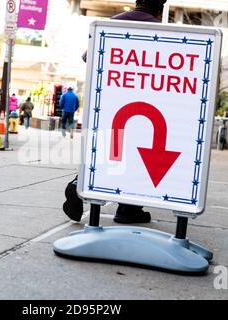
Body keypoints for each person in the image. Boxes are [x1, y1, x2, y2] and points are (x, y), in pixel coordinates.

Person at [63, 0, 167, 225]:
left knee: (105, 155)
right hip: (142, 107)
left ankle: (77, 185)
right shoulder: (161, 31)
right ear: (160, 8)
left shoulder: (111, 24)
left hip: (107, 103)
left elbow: (88, 58)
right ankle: (128, 209)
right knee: (136, 157)